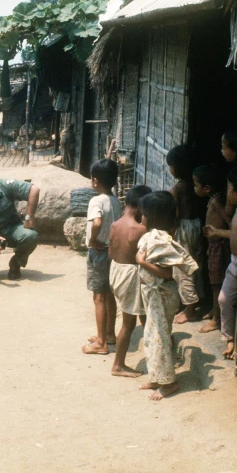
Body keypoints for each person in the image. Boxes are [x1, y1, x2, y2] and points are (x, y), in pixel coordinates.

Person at [136, 191, 199, 400]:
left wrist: (142, 262)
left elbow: (166, 273)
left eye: (143, 214)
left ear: (151, 216)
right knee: (152, 335)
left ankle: (169, 383)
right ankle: (157, 376)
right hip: (154, 295)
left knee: (160, 337)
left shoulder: (160, 241)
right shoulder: (152, 236)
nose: (141, 217)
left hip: (161, 296)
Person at [108, 184, 152, 376]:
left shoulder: (115, 225)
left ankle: (155, 351)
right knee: (129, 323)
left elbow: (111, 251)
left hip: (116, 270)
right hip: (130, 275)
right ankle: (118, 365)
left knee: (143, 315)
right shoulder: (139, 229)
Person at [82, 159, 122, 356]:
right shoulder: (116, 201)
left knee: (98, 297)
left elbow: (96, 222)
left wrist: (91, 239)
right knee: (109, 295)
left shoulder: (96, 201)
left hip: (98, 252)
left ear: (95, 181)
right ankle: (109, 334)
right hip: (111, 252)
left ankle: (101, 343)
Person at [205, 166, 237, 359]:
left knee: (229, 300)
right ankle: (229, 338)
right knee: (224, 299)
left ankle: (233, 340)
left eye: (229, 188)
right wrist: (217, 232)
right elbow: (235, 234)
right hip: (234, 262)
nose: (227, 191)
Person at [166, 145, 205, 324]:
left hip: (183, 228)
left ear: (175, 167)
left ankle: (190, 309)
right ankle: (194, 303)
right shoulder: (193, 185)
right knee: (195, 264)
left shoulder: (177, 189)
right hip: (196, 225)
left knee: (183, 268)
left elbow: (175, 214)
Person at [192, 164, 230, 334]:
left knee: (216, 283)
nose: (194, 188)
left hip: (219, 246)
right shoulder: (213, 198)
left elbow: (229, 221)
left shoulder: (216, 201)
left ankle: (217, 320)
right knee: (214, 280)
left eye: (195, 185)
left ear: (206, 188)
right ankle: (215, 312)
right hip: (214, 245)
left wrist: (218, 233)